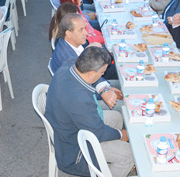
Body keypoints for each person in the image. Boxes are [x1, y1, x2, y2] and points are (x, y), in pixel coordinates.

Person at [45, 46, 134, 177]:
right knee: (129, 154)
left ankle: (110, 159)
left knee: (116, 117)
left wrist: (105, 88)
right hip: (75, 149)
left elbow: (95, 126)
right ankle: (112, 167)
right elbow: (99, 132)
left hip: (69, 127)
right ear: (92, 73)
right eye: (102, 73)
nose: (102, 75)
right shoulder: (79, 99)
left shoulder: (67, 67)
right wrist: (122, 135)